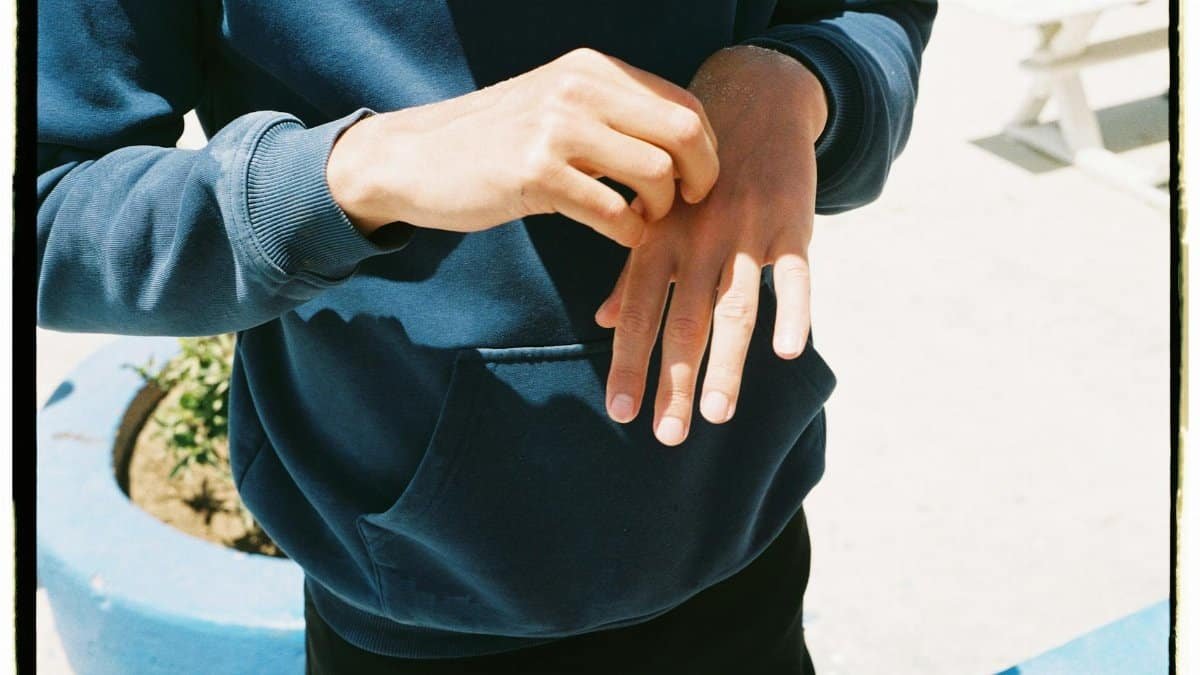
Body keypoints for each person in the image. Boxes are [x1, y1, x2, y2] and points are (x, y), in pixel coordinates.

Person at [37, 1, 935, 672]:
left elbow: (868, 15)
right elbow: (44, 208)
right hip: (411, 612)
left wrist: (806, 77)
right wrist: (359, 172)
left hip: (746, 551)